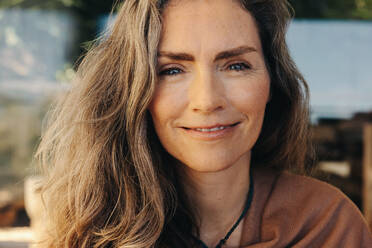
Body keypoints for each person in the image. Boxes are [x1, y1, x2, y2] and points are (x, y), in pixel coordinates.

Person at [36, 0, 372, 247]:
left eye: (236, 65)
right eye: (172, 70)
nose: (207, 100)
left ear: (273, 82)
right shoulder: (86, 231)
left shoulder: (326, 225)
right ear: (135, 91)